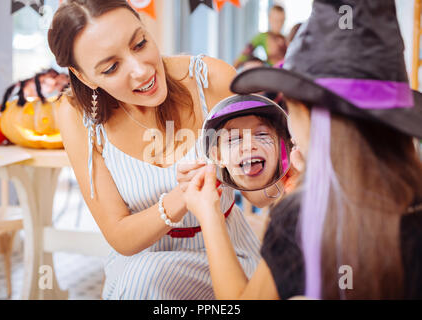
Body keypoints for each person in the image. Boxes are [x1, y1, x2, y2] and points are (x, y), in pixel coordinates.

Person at [184, 0, 422, 299]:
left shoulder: (304, 217)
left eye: (292, 112)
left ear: (312, 116)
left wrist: (208, 213)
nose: (290, 132)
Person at [47, 0, 261, 300]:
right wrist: (182, 197)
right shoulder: (75, 114)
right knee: (143, 279)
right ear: (83, 76)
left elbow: (263, 192)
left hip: (228, 254)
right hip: (139, 268)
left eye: (140, 43)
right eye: (111, 67)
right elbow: (120, 236)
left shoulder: (211, 78)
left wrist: (257, 167)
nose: (141, 70)